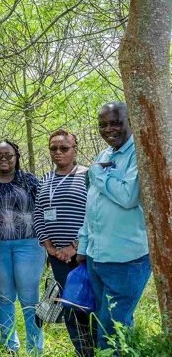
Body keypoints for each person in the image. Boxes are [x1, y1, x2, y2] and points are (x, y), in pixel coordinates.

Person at [77, 102, 151, 351]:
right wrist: (84, 247)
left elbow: (129, 197)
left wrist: (97, 175)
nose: (109, 129)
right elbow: (91, 206)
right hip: (97, 258)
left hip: (127, 260)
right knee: (108, 325)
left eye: (115, 122)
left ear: (130, 121)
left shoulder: (139, 153)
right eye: (103, 125)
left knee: (111, 332)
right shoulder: (104, 156)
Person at [34, 128, 94, 356]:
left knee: (88, 304)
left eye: (64, 148)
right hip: (57, 256)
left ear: (74, 150)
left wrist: (74, 246)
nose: (58, 152)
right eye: (53, 148)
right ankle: (82, 351)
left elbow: (95, 214)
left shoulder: (87, 176)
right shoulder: (46, 179)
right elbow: (38, 213)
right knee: (68, 305)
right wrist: (48, 246)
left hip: (83, 255)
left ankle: (98, 349)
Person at [0, 139, 45, 353]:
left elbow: (42, 211)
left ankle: (35, 348)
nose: (4, 159)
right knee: (3, 297)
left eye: (8, 155)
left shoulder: (29, 180)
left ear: (16, 157)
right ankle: (10, 347)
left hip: (29, 245)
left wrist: (48, 242)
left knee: (30, 299)